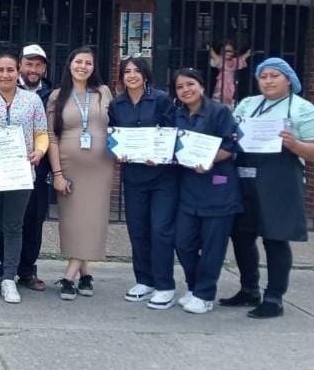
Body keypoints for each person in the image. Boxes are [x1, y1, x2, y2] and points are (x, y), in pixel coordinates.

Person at [221, 58, 314, 318]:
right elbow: (233, 132)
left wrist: (294, 144)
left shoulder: (304, 109)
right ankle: (249, 289)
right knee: (242, 236)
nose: (267, 81)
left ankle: (274, 297)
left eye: (274, 76)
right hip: (245, 177)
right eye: (263, 76)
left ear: (288, 80)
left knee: (275, 238)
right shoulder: (247, 104)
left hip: (280, 181)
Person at [0, 54, 50, 304]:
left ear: (18, 72)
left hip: (20, 172)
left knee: (14, 226)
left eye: (10, 70)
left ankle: (8, 278)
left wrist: (40, 151)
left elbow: (42, 133)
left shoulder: (32, 100)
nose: (5, 74)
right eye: (0, 70)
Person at [107, 56, 178, 309]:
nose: (132, 75)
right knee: (137, 230)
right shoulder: (117, 105)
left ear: (145, 75)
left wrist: (159, 154)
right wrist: (118, 151)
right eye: (127, 71)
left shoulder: (160, 100)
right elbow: (114, 137)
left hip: (162, 178)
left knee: (160, 230)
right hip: (134, 176)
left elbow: (172, 133)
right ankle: (144, 280)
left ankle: (165, 285)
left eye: (137, 71)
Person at [172, 67, 242, 314]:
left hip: (218, 189)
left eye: (190, 84)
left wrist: (211, 160)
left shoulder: (219, 112)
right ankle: (193, 287)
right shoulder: (177, 115)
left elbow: (232, 145)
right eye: (180, 87)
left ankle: (205, 294)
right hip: (189, 190)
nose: (185, 90)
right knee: (183, 242)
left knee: (213, 247)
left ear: (201, 86)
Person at [46, 46, 113, 301]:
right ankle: (84, 273)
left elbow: (117, 125)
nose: (83, 66)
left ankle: (69, 276)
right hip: (69, 165)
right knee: (74, 222)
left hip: (100, 168)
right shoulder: (56, 96)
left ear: (93, 68)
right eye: (79, 61)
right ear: (70, 64)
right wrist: (58, 173)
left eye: (88, 63)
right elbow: (51, 136)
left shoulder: (104, 93)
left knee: (92, 220)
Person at [9, 43, 53, 291]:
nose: (33, 69)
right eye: (29, 64)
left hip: (38, 167)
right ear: (20, 66)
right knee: (8, 219)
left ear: (44, 68)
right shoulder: (3, 90)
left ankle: (26, 271)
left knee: (34, 220)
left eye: (38, 65)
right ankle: (4, 269)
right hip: (8, 167)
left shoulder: (53, 95)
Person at [208, 40, 252, 109]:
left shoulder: (234, 61)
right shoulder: (219, 60)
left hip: (232, 82)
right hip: (222, 82)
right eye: (226, 51)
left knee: (231, 99)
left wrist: (248, 53)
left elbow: (243, 57)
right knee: (220, 97)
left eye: (230, 51)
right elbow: (212, 53)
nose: (228, 53)